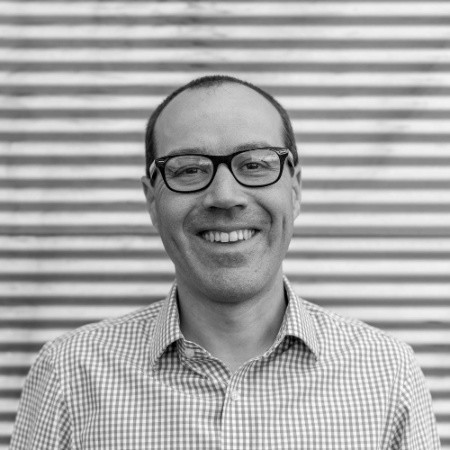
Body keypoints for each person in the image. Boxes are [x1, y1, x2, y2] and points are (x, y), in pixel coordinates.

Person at [10, 75, 441, 449]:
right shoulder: (69, 374)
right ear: (152, 200)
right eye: (189, 170)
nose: (224, 196)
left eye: (254, 164)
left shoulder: (386, 373)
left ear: (294, 189)